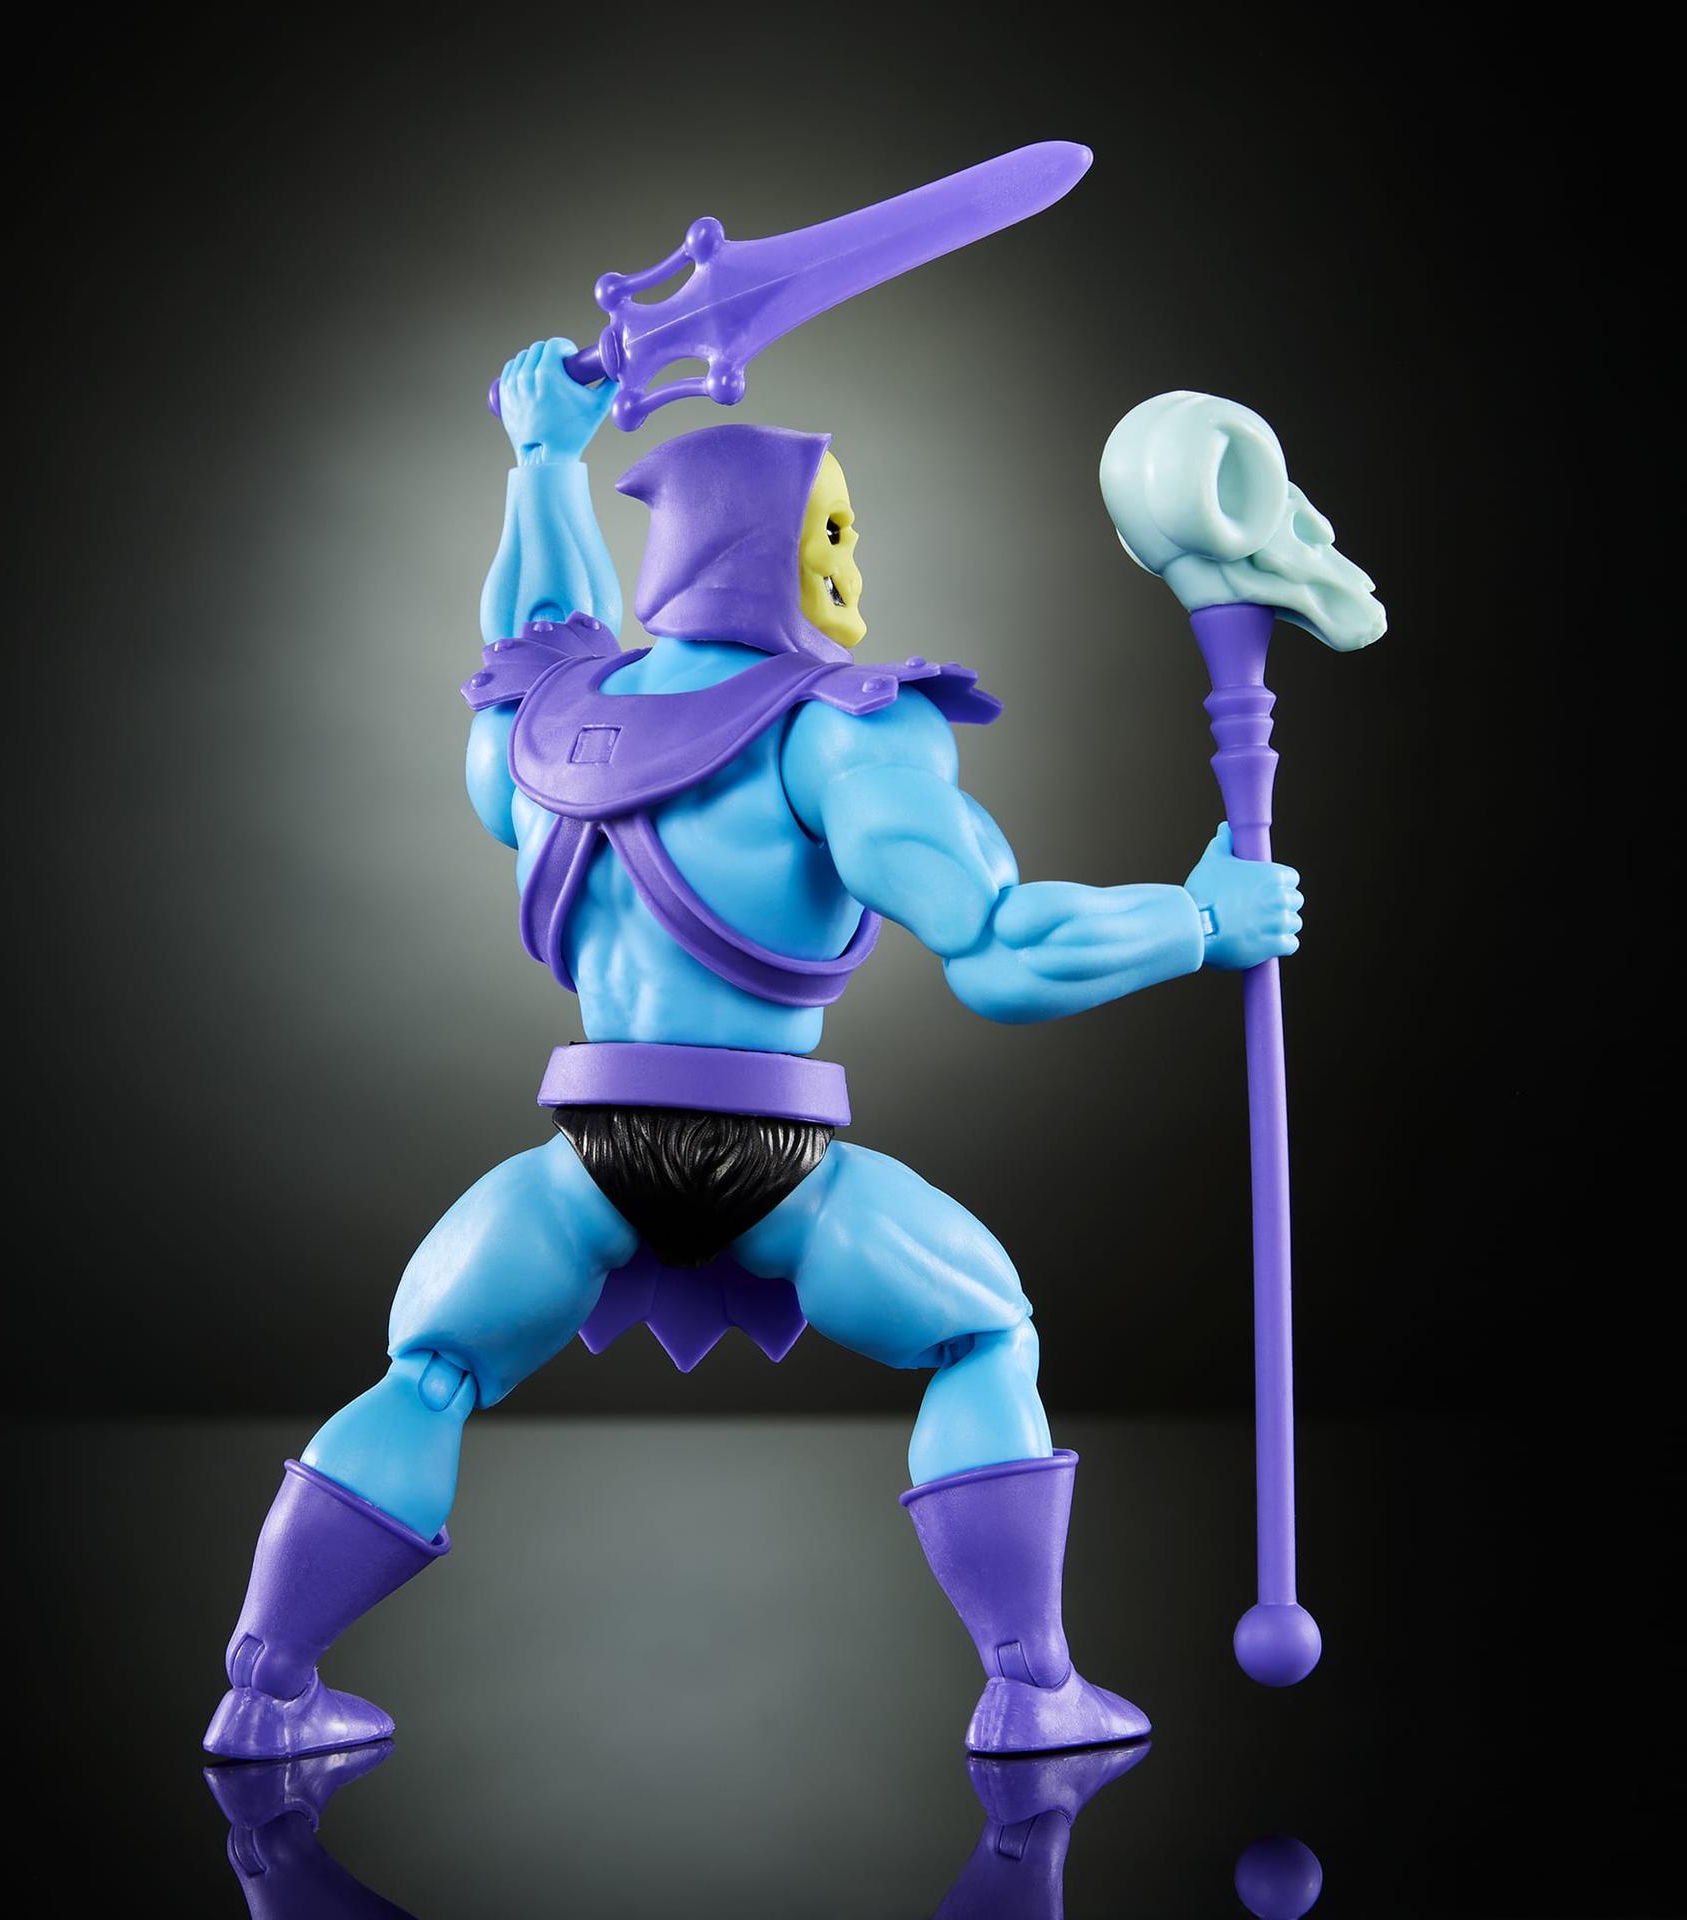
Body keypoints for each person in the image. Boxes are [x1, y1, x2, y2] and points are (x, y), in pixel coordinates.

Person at [203, 340, 1305, 1764]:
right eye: (829, 530)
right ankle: (1032, 1690)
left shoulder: (542, 735)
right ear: (761, 550)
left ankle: (265, 1691)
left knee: (430, 1370)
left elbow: (533, 634)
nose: (849, 561)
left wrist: (543, 457)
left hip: (590, 1158)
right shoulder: (841, 734)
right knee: (984, 1332)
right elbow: (997, 947)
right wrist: (1200, 921)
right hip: (778, 1163)